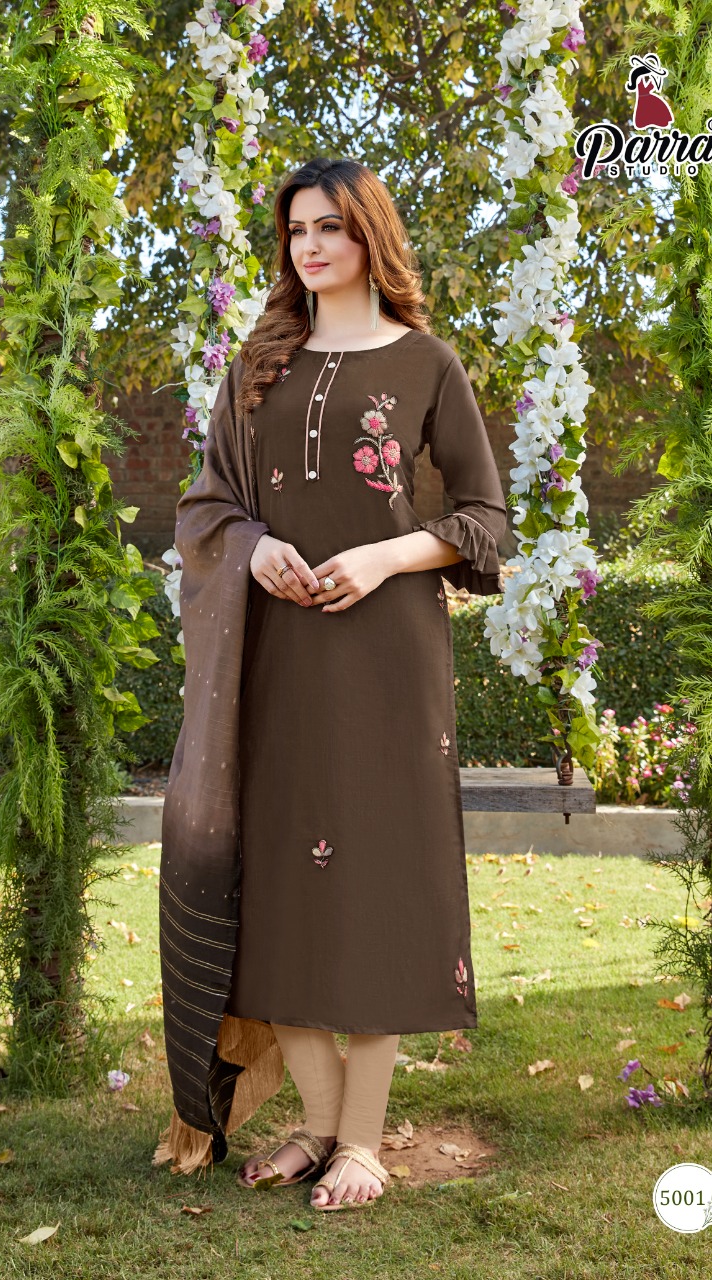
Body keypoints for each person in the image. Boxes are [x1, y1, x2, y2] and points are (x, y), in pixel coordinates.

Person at [158, 156, 507, 1211]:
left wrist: (386, 556)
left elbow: (484, 521)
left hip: (387, 655)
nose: (310, 246)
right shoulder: (257, 365)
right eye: (297, 230)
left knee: (381, 882)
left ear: (369, 237)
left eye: (331, 228)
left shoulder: (426, 363)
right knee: (278, 886)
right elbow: (206, 505)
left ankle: (362, 1140)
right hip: (275, 655)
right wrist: (254, 545)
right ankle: (316, 1125)